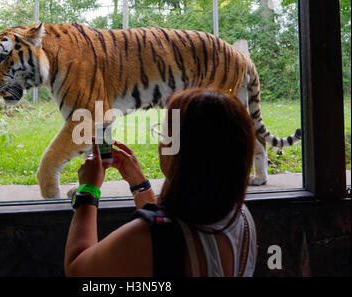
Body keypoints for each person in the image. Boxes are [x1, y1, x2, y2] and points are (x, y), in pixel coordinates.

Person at [64, 88, 257, 277]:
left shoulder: (144, 236)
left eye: (165, 137)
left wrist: (88, 190)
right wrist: (138, 183)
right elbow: (171, 230)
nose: (160, 144)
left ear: (186, 154)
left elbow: (77, 268)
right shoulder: (241, 217)